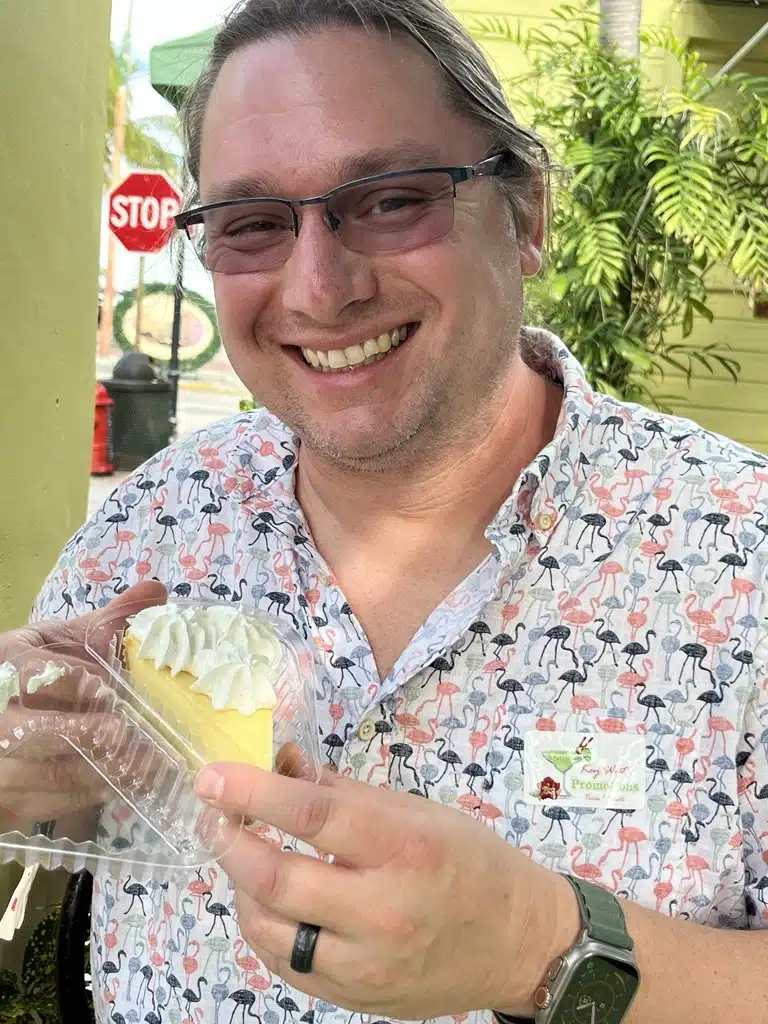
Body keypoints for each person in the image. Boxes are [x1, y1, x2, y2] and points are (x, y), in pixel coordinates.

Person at [5, 0, 768, 1020]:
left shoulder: (738, 549)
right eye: (252, 225)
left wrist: (544, 944)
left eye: (391, 199)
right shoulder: (147, 529)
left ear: (528, 213)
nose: (319, 289)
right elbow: (59, 829)